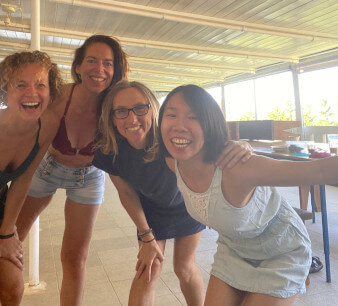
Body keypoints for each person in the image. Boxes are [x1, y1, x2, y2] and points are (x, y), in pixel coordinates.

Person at [158, 84, 338, 305]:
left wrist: (244, 146)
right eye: (171, 115)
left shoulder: (235, 167)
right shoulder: (172, 162)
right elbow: (135, 135)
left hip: (280, 251)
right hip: (234, 250)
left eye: (193, 117)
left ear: (210, 124)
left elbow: (317, 171)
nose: (179, 126)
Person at [93, 80, 253, 306]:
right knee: (148, 269)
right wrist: (147, 236)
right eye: (121, 111)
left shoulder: (168, 138)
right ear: (111, 116)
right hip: (150, 210)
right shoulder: (111, 149)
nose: (132, 119)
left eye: (140, 108)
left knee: (183, 267)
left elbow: (207, 144)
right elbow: (126, 193)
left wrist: (241, 145)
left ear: (153, 109)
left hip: (186, 205)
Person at [16, 35, 129, 306]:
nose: (99, 69)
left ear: (115, 71)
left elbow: (145, 135)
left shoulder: (115, 107)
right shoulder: (57, 97)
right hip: (46, 169)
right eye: (91, 60)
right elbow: (23, 129)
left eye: (107, 63)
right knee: (10, 241)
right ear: (78, 66)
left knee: (75, 257)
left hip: (88, 177)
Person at [0, 50, 63, 306]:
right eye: (21, 85)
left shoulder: (46, 126)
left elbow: (23, 179)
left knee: (13, 286)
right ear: (5, 91)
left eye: (40, 85)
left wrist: (6, 234)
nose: (32, 93)